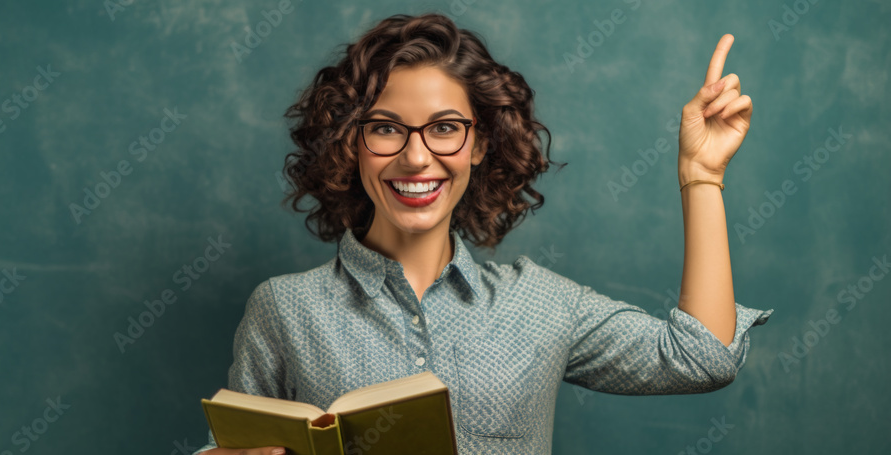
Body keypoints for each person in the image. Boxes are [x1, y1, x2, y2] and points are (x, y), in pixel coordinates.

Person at [196, 12, 772, 455]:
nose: (416, 157)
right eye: (386, 129)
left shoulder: (542, 302)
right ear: (352, 144)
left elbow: (702, 359)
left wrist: (702, 177)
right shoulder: (282, 309)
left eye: (444, 128)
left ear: (478, 143)